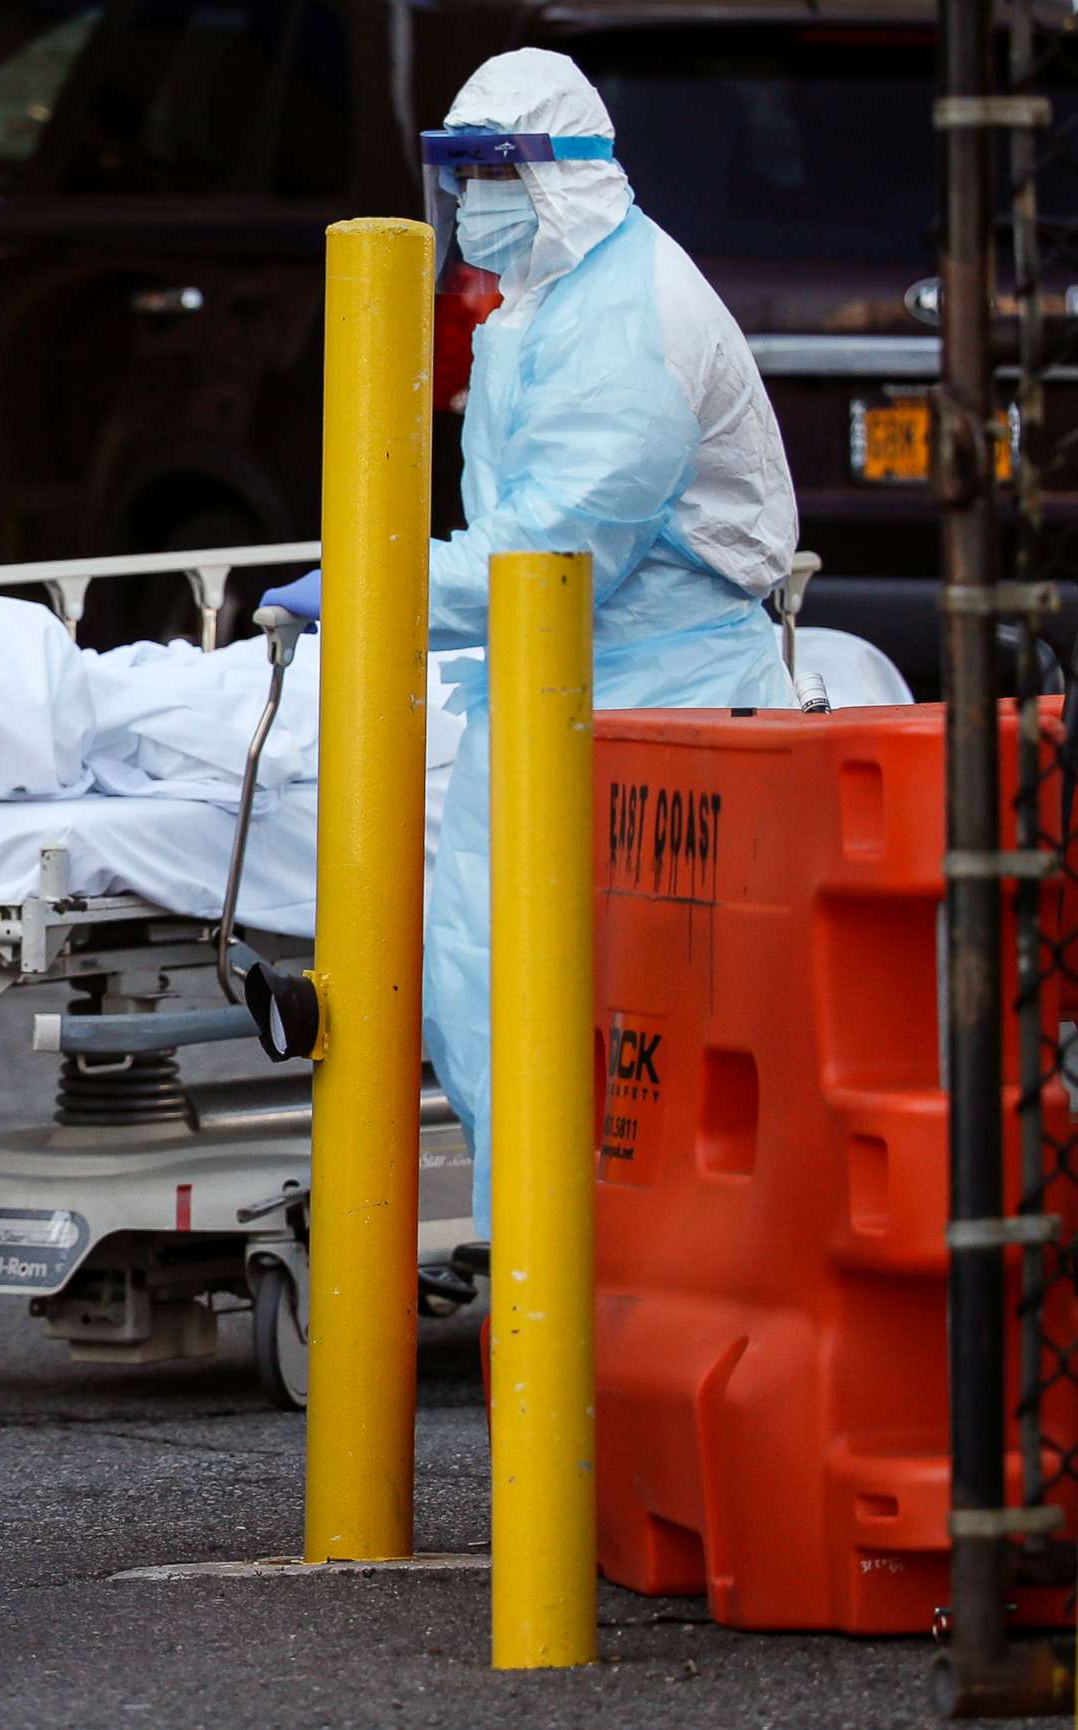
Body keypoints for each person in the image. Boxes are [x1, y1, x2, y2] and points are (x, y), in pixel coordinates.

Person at [262, 48, 796, 1227]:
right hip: (561, 695)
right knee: (496, 1003)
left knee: (615, 1026)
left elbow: (554, 555)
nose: (475, 200)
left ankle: (613, 1297)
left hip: (663, 706)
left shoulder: (627, 320)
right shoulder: (554, 296)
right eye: (462, 172)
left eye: (498, 171)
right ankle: (544, 1301)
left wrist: (370, 588)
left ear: (566, 175)